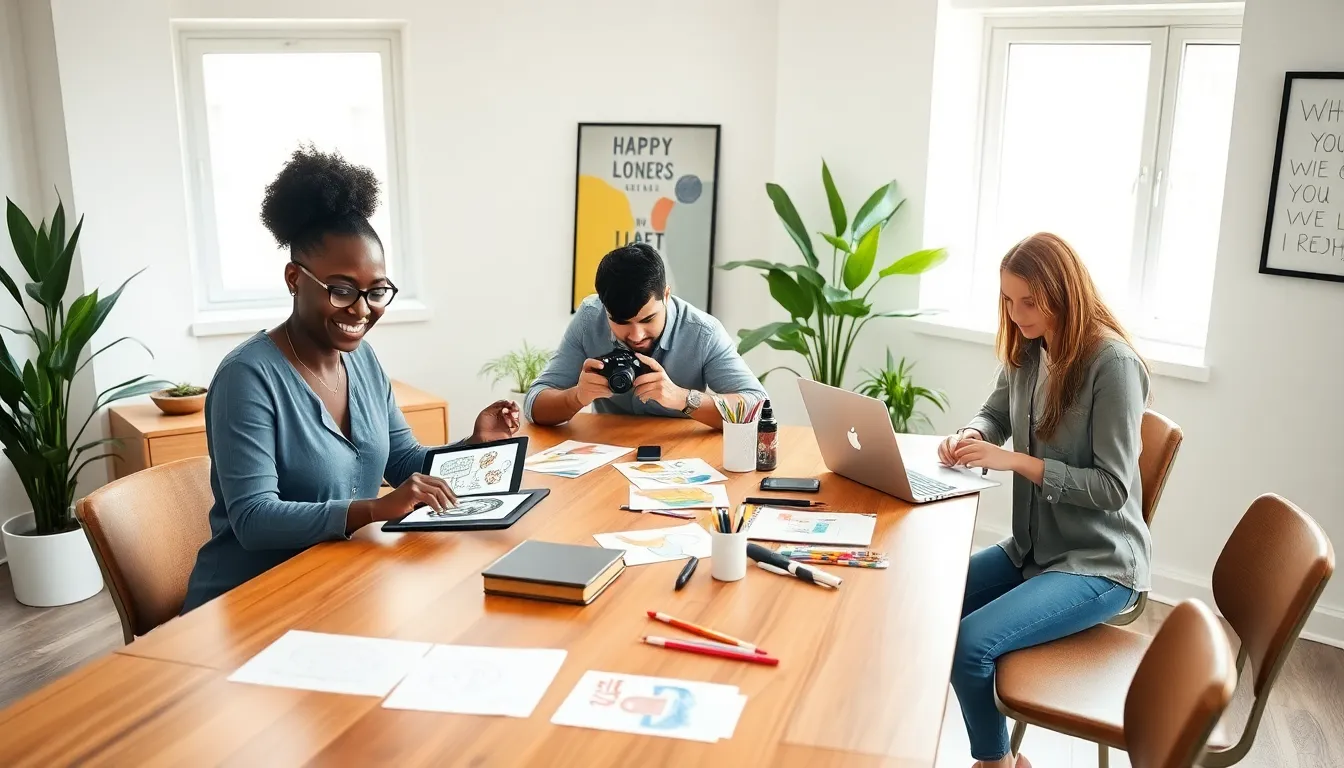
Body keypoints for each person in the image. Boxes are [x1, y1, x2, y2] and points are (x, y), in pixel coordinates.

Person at [181, 146, 520, 613]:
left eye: (376, 291)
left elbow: (404, 463)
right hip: (252, 601)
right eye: (341, 290)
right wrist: (376, 510)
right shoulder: (247, 378)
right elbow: (254, 519)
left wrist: (473, 444)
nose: (361, 309)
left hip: (340, 582)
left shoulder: (362, 361)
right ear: (294, 278)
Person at [939, 233, 1151, 768]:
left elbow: (1113, 488)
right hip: (1034, 549)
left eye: (1028, 302)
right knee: (931, 603)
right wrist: (969, 434)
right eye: (1008, 301)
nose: (1016, 314)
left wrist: (1017, 462)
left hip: (1099, 566)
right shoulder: (1029, 348)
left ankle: (996, 763)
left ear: (1062, 293)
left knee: (969, 645)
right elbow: (994, 414)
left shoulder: (1113, 365)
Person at [526, 243, 766, 430]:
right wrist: (575, 397)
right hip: (606, 457)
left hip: (682, 458)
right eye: (620, 322)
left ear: (667, 295)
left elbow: (759, 406)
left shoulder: (703, 332)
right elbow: (534, 402)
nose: (636, 335)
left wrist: (683, 399)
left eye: (647, 319)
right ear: (603, 306)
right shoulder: (590, 319)